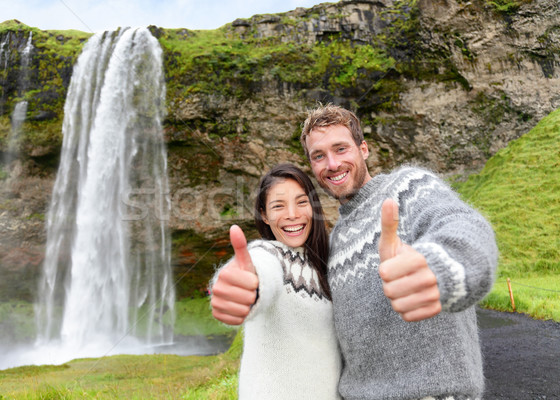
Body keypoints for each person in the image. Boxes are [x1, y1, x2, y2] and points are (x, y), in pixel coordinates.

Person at [210, 104, 498, 400]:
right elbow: (265, 267)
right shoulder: (333, 245)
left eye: (341, 148)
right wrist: (244, 287)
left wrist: (439, 269)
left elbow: (462, 225)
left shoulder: (410, 187)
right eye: (318, 156)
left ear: (364, 149)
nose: (332, 164)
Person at [211, 163, 342, 399]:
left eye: (301, 202)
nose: (292, 214)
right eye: (278, 206)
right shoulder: (269, 254)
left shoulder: (327, 262)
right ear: (264, 214)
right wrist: (245, 288)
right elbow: (260, 272)